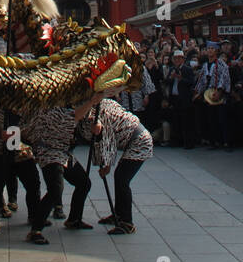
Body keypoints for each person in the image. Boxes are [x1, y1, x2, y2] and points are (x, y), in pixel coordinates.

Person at [78, 91, 152, 235]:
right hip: (131, 141)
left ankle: (127, 222)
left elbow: (106, 139)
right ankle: (118, 214)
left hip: (139, 141)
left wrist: (106, 164)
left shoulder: (99, 111)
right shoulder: (98, 107)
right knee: (120, 177)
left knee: (122, 179)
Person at [20, 102, 93, 242]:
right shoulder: (49, 106)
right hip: (49, 151)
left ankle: (74, 219)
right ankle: (35, 230)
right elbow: (72, 117)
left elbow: (83, 123)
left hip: (63, 153)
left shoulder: (69, 104)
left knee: (84, 183)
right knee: (55, 190)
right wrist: (92, 101)